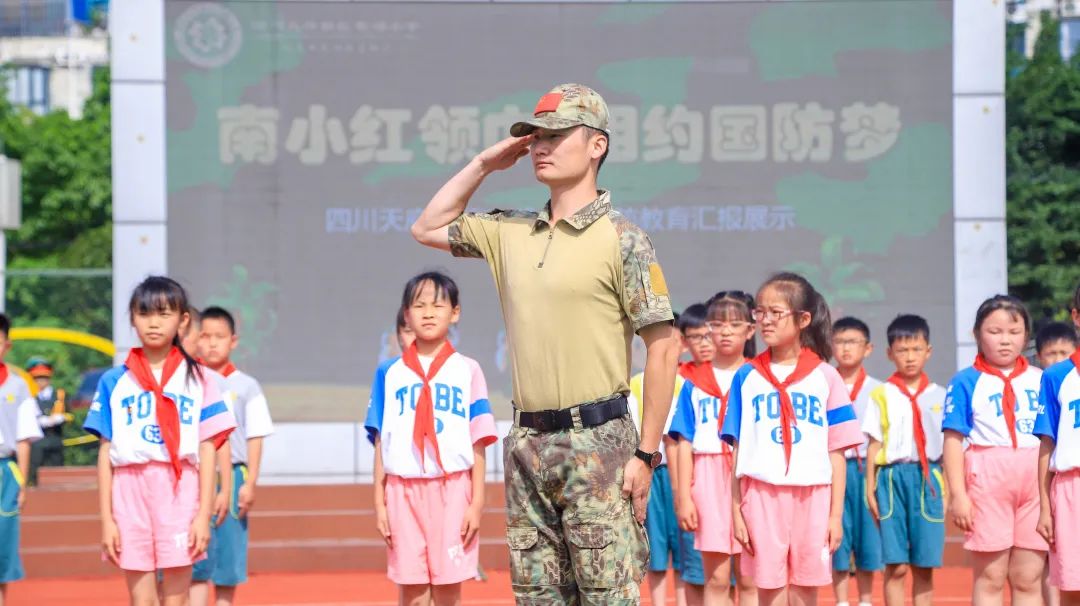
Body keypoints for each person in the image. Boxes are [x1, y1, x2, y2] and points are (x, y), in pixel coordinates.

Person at [410, 82, 681, 603]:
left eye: (557, 136)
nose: (541, 146)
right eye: (535, 137)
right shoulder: (511, 231)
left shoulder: (623, 238)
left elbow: (663, 346)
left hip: (600, 444)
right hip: (528, 445)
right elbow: (427, 226)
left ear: (597, 145)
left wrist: (646, 455)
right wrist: (487, 162)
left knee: (607, 595)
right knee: (537, 597)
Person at [83, 277, 236, 606]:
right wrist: (107, 520)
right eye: (144, 313)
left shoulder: (200, 380)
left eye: (164, 314)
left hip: (179, 487)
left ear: (183, 321)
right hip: (129, 488)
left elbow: (208, 448)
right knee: (142, 600)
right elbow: (105, 452)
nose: (153, 322)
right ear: (132, 318)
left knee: (176, 598)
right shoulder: (114, 381)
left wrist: (202, 515)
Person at [722, 272, 863, 605]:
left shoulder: (826, 376)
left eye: (775, 313)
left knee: (804, 591)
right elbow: (737, 450)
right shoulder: (746, 376)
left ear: (803, 319)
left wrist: (834, 515)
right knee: (769, 590)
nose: (765, 321)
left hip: (813, 495)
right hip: (761, 494)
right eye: (760, 312)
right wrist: (735, 510)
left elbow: (837, 451)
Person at [365, 272, 497, 606]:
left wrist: (477, 501)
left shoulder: (468, 370)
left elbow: (478, 439)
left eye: (437, 305)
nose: (427, 313)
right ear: (406, 314)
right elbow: (382, 440)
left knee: (449, 586)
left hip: (453, 489)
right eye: (418, 305)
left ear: (455, 313)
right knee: (412, 589)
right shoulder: (389, 374)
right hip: (402, 490)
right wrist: (379, 500)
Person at [942, 295, 1047, 605]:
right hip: (987, 478)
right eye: (995, 331)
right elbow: (952, 440)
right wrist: (958, 495)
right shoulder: (965, 381)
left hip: (1035, 479)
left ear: (1026, 336)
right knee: (991, 576)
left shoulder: (1043, 380)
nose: (1005, 341)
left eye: (1014, 333)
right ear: (977, 334)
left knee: (1028, 578)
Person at [670, 291, 758, 606]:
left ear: (750, 330)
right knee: (717, 578)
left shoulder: (759, 376)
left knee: (751, 578)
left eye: (734, 324)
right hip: (708, 478)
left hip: (751, 476)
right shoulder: (693, 383)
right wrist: (683, 497)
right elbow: (683, 443)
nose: (725, 331)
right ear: (708, 329)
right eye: (718, 324)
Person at [190, 306, 274, 606]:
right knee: (196, 562)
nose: (212, 343)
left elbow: (256, 435)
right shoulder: (190, 382)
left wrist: (249, 483)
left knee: (228, 561)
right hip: (195, 476)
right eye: (205, 336)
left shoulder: (246, 386)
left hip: (234, 474)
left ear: (233, 341)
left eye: (220, 337)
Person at [862, 314, 946, 606]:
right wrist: (869, 487)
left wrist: (948, 489)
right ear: (889, 353)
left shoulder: (941, 396)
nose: (910, 357)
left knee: (924, 565)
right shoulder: (881, 394)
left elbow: (949, 448)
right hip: (890, 480)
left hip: (929, 479)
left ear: (928, 351)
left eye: (916, 349)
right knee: (895, 565)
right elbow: (874, 443)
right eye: (902, 350)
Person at [829, 317, 882, 606]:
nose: (846, 349)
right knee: (837, 534)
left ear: (868, 348)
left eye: (853, 342)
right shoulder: (824, 382)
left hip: (864, 470)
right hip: (832, 469)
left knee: (867, 537)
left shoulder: (878, 389)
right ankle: (840, 600)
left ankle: (864, 599)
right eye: (839, 342)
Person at [1035, 313, 1080, 606]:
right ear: (1076, 315)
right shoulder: (1056, 376)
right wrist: (1044, 507)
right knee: (1072, 586)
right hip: (1070, 488)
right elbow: (1046, 445)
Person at [0, 314, 44, 605]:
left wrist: (23, 483)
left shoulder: (18, 387)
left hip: (6, 472)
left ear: (7, 345)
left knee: (3, 543)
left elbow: (24, 438)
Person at [27, 357, 65, 485]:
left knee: (58, 476)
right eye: (37, 378)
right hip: (37, 443)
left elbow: (69, 413)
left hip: (55, 440)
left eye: (43, 378)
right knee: (34, 476)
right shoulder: (30, 396)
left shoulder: (60, 395)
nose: (40, 381)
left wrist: (62, 418)